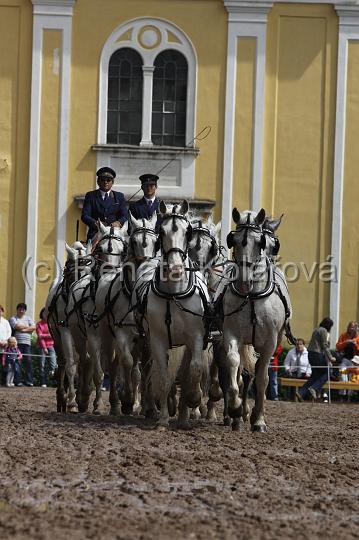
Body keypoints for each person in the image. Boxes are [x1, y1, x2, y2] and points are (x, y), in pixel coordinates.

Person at [81, 167, 128, 242]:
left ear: (112, 182)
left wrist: (118, 222)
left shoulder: (119, 196)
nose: (105, 182)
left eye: (108, 180)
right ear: (98, 182)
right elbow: (85, 216)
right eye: (102, 180)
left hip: (114, 233)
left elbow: (125, 216)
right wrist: (95, 223)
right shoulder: (91, 196)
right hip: (96, 233)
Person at [297, 317, 335, 401]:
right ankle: (314, 388)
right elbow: (324, 345)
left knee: (315, 376)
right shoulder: (324, 331)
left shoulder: (316, 330)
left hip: (310, 354)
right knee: (328, 372)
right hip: (317, 354)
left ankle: (301, 392)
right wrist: (330, 357)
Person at [9, 303, 35, 386]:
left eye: (23, 309)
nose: (21, 310)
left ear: (25, 311)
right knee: (17, 362)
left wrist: (23, 329)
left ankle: (29, 381)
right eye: (19, 309)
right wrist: (27, 327)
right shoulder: (13, 318)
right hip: (16, 344)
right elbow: (16, 326)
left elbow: (34, 327)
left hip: (27, 343)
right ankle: (18, 381)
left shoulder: (28, 318)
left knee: (29, 362)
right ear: (17, 310)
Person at [36, 307, 57, 387]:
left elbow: (54, 335)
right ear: (42, 314)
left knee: (53, 365)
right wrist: (44, 347)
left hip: (52, 346)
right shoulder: (39, 324)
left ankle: (54, 382)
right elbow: (40, 337)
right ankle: (43, 382)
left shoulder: (52, 323)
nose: (46, 315)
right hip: (41, 347)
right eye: (44, 313)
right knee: (42, 365)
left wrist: (43, 335)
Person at [0, 305, 12, 385]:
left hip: (4, 346)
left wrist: (5, 342)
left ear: (2, 312)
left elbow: (9, 332)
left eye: (0, 310)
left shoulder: (6, 322)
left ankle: (3, 381)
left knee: (4, 364)